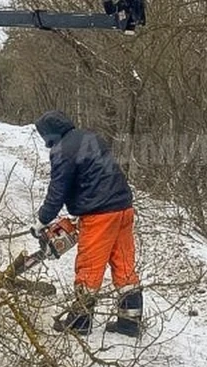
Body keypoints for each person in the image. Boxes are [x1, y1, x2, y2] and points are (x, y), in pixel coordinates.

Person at [31, 110, 143, 337]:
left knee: (90, 265)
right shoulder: (90, 137)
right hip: (123, 208)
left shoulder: (62, 150)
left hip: (100, 213)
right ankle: (130, 322)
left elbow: (57, 190)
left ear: (49, 133)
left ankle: (80, 322)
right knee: (124, 263)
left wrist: (42, 220)